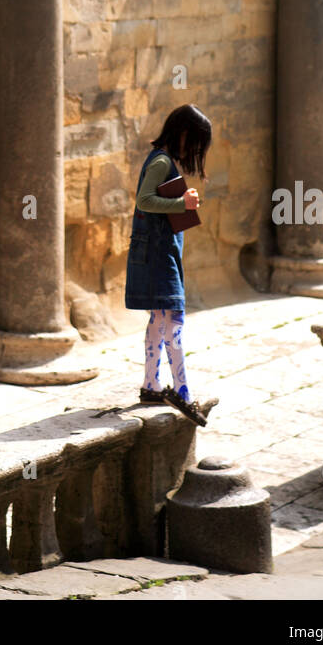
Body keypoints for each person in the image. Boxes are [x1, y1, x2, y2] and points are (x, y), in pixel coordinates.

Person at [125, 104, 212, 426]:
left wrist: (180, 202)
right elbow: (144, 200)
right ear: (184, 133)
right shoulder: (162, 161)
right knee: (174, 321)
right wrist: (182, 203)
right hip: (159, 259)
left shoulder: (161, 160)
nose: (196, 151)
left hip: (157, 255)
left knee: (159, 320)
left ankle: (151, 386)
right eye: (196, 143)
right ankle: (183, 394)